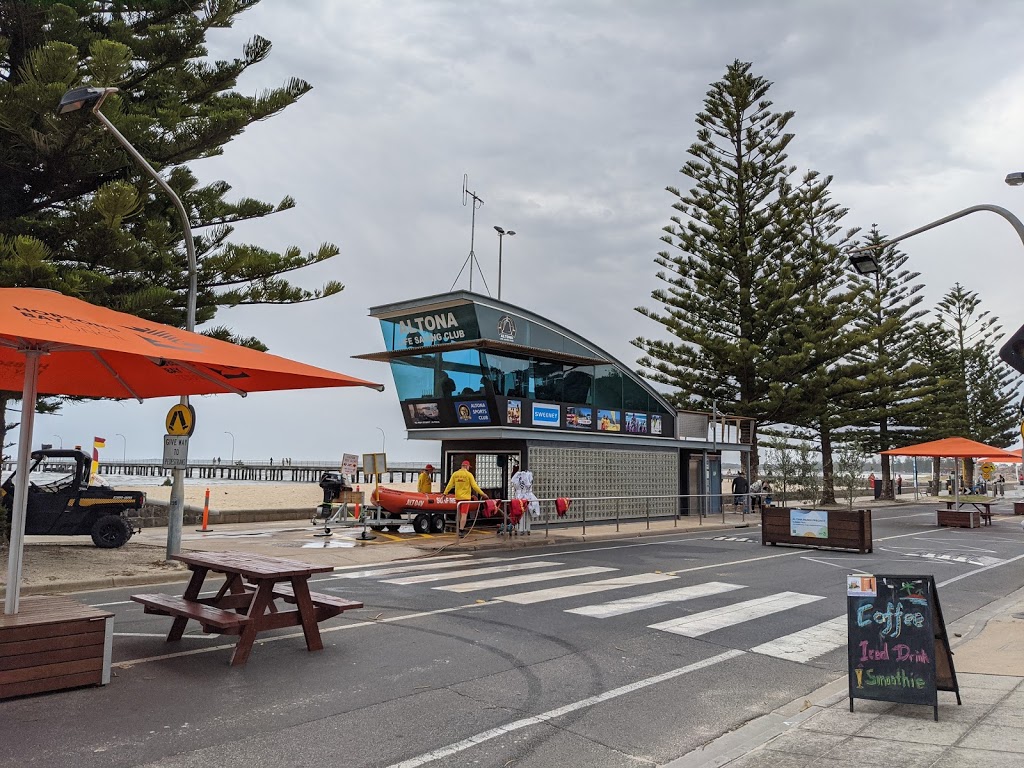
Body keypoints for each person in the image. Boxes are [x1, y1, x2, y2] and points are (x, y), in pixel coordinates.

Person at [444, 460, 487, 538]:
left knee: (459, 514)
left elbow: (450, 485)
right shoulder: (469, 475)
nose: (469, 468)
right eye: (469, 467)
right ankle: (461, 530)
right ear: (466, 466)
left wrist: (445, 493)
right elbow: (475, 486)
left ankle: (458, 528)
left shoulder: (455, 474)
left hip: (458, 498)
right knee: (464, 515)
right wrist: (482, 494)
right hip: (466, 498)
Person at [510, 462, 539, 536]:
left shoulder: (518, 476)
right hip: (526, 497)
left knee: (520, 513)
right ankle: (525, 529)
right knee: (523, 513)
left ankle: (521, 529)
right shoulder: (526, 475)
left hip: (521, 497)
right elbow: (528, 485)